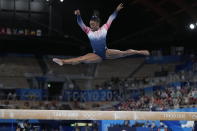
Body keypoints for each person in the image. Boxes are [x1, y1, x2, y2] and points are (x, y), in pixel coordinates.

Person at [53, 3, 150, 65]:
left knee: (124, 53)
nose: (91, 26)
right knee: (81, 59)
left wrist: (116, 10)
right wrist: (78, 15)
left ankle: (139, 52)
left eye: (93, 24)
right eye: (90, 24)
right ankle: (62, 61)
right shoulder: (88, 31)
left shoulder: (104, 28)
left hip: (106, 52)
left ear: (98, 24)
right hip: (96, 55)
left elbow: (111, 18)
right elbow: (80, 23)